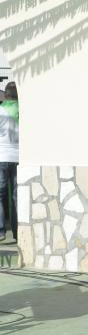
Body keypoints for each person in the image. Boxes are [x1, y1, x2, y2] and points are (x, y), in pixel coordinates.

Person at [0, 82, 18, 241]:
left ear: (6, 95)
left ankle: (1, 231)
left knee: (0, 195)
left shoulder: (0, 110)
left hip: (2, 156)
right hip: (19, 157)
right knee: (16, 197)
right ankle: (17, 231)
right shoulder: (23, 110)